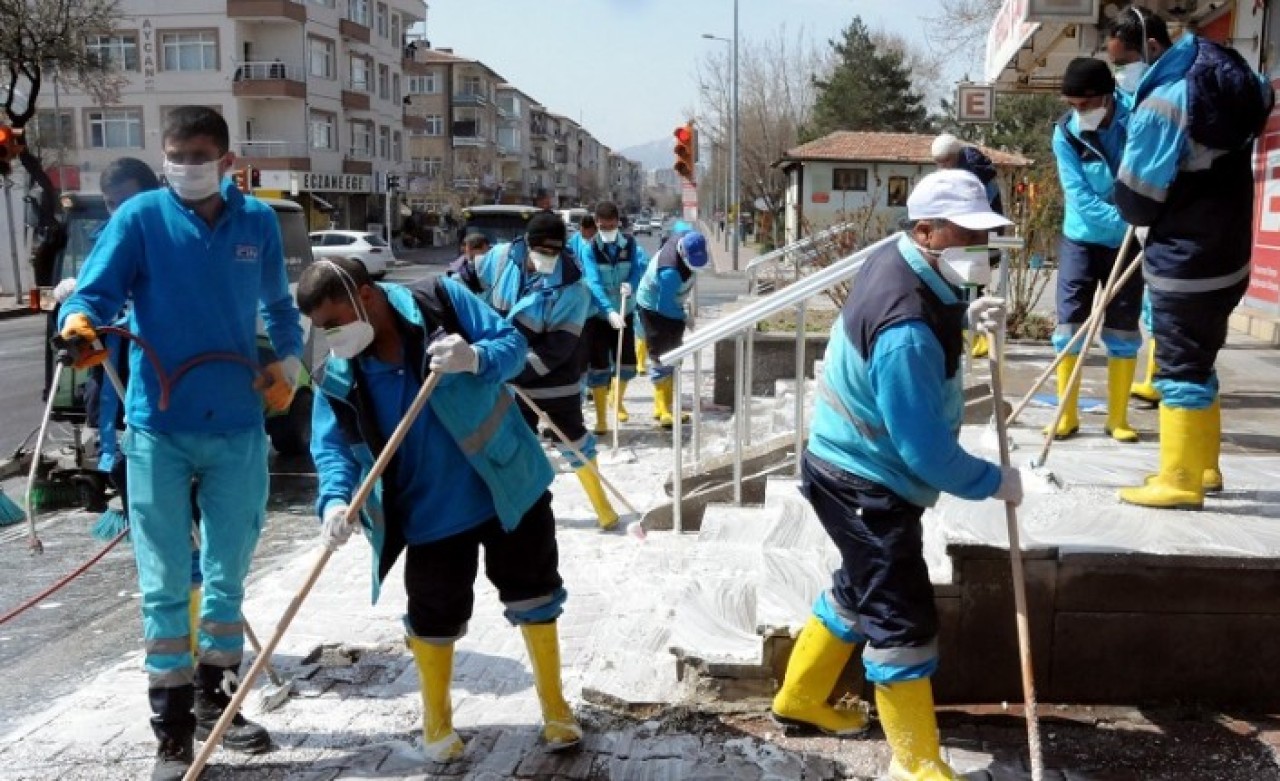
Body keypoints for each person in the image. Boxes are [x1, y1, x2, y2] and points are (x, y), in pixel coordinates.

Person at [57, 106, 303, 780]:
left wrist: (290, 366)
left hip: (238, 428)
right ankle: (170, 734)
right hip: (159, 431)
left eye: (198, 155)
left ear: (227, 161)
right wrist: (79, 324)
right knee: (165, 586)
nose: (184, 166)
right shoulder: (139, 220)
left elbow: (282, 309)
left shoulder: (256, 223)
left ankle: (214, 701)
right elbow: (94, 298)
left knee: (225, 583)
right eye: (175, 154)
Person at [771, 170, 1022, 779]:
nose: (980, 250)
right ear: (926, 230)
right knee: (901, 616)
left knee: (861, 588)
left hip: (851, 463)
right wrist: (993, 481)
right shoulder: (904, 330)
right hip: (864, 479)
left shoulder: (907, 262)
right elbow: (925, 453)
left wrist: (969, 318)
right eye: (967, 237)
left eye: (985, 236)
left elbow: (935, 312)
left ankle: (800, 698)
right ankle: (916, 764)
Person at [299, 257, 582, 763]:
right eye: (321, 329)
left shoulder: (441, 302)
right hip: (428, 512)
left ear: (366, 295)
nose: (331, 337)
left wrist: (473, 356)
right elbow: (333, 448)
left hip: (506, 484)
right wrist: (336, 501)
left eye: (335, 323)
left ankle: (556, 709)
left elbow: (513, 348)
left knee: (535, 593)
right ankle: (437, 724)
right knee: (432, 615)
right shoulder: (336, 375)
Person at [1107, 7, 1267, 508]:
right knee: (1201, 360)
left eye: (1123, 61)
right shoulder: (1225, 66)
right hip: (1230, 250)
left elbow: (1137, 198)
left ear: (1152, 47)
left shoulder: (1165, 100)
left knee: (1178, 369)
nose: (1121, 73)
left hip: (1185, 256)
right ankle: (1207, 467)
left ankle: (1179, 479)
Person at [476, 212, 619, 530]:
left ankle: (603, 507)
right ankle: (515, 509)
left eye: (554, 252)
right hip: (506, 378)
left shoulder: (573, 288)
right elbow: (462, 286)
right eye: (541, 251)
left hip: (553, 381)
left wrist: (507, 368)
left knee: (573, 442)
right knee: (509, 443)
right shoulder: (499, 260)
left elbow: (556, 350)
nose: (547, 258)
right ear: (527, 244)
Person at [1048, 57, 1144, 443]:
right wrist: (1133, 221)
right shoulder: (1065, 135)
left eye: (1084, 105)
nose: (1078, 112)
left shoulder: (1137, 120)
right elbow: (1081, 199)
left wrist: (1143, 222)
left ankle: (1117, 418)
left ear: (1106, 97)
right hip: (1083, 238)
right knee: (1069, 324)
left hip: (1130, 244)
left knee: (1122, 325)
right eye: (1071, 105)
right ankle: (1066, 414)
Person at [931, 133, 1005, 359]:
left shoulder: (976, 176)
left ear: (955, 156)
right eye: (938, 162)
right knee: (961, 285)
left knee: (969, 286)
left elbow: (981, 210)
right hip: (965, 236)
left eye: (945, 161)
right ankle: (970, 337)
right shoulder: (956, 171)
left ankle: (978, 338)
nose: (942, 166)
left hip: (980, 235)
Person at [579, 202, 649, 434]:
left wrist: (632, 283)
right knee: (599, 368)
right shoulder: (590, 249)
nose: (607, 229)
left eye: (612, 225)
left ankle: (616, 401)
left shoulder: (629, 244)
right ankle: (601, 420)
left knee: (626, 363)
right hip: (599, 316)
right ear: (597, 223)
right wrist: (608, 310)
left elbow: (637, 269)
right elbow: (593, 282)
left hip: (624, 311)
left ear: (618, 222)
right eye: (603, 225)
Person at [635, 229, 709, 427]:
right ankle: (663, 409)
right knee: (661, 356)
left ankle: (666, 406)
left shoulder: (687, 237)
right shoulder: (670, 271)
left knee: (675, 356)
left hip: (672, 305)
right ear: (683, 253)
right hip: (654, 309)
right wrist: (684, 317)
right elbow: (664, 306)